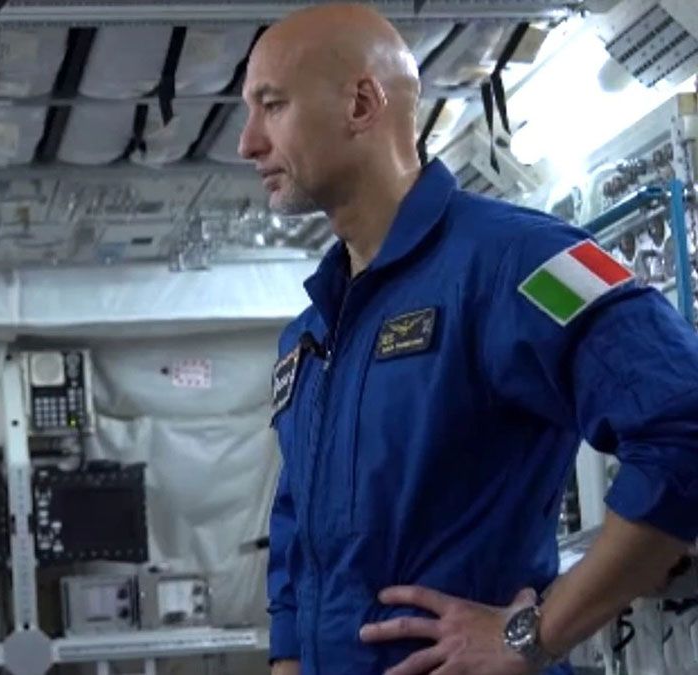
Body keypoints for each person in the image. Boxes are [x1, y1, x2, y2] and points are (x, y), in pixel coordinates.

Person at [240, 4, 698, 674]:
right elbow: (296, 525)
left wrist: (536, 632)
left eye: (271, 105)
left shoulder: (523, 261)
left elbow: (684, 425)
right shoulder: (312, 333)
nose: (248, 141)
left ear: (362, 103)